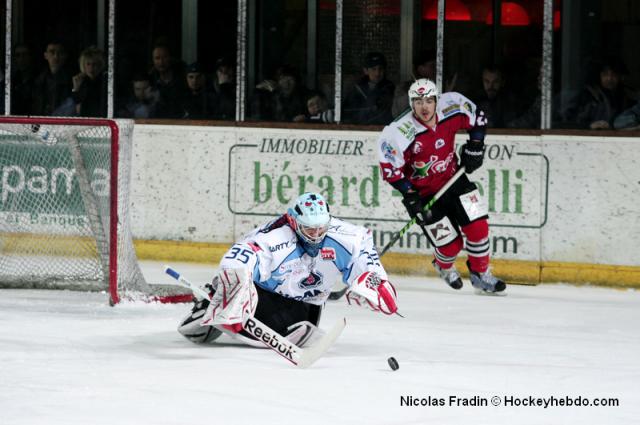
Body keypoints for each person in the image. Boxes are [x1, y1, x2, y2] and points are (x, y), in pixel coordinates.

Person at [177, 192, 398, 346]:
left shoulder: (345, 237)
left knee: (302, 329)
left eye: (321, 229)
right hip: (262, 295)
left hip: (307, 304)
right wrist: (236, 287)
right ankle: (213, 303)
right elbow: (239, 257)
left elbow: (363, 248)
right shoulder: (274, 238)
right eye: (309, 230)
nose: (317, 236)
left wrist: (376, 279)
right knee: (249, 312)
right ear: (293, 221)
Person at [377, 78, 506, 293]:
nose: (424, 107)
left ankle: (481, 274)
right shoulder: (399, 132)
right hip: (424, 194)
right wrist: (409, 194)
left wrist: (475, 145)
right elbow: (390, 169)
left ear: (437, 100)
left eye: (429, 100)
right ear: (411, 104)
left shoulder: (452, 105)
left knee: (478, 227)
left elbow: (479, 119)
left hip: (455, 179)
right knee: (450, 246)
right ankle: (443, 265)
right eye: (418, 101)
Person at [342, 52, 395, 125]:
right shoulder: (356, 88)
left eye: (381, 69)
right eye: (374, 69)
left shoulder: (390, 88)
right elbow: (347, 112)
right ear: (365, 70)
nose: (377, 73)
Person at [31, 41, 73, 115]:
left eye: (60, 53)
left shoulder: (73, 80)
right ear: (45, 55)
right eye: (52, 52)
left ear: (65, 56)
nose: (56, 56)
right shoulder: (38, 80)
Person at [148, 44, 187, 118]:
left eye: (164, 57)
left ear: (170, 58)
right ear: (153, 60)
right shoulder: (150, 80)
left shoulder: (183, 78)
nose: (161, 62)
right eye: (157, 58)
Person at [72, 46, 107, 117]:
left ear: (100, 65)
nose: (91, 68)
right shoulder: (82, 80)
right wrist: (76, 88)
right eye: (88, 64)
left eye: (94, 64)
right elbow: (77, 102)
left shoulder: (105, 81)